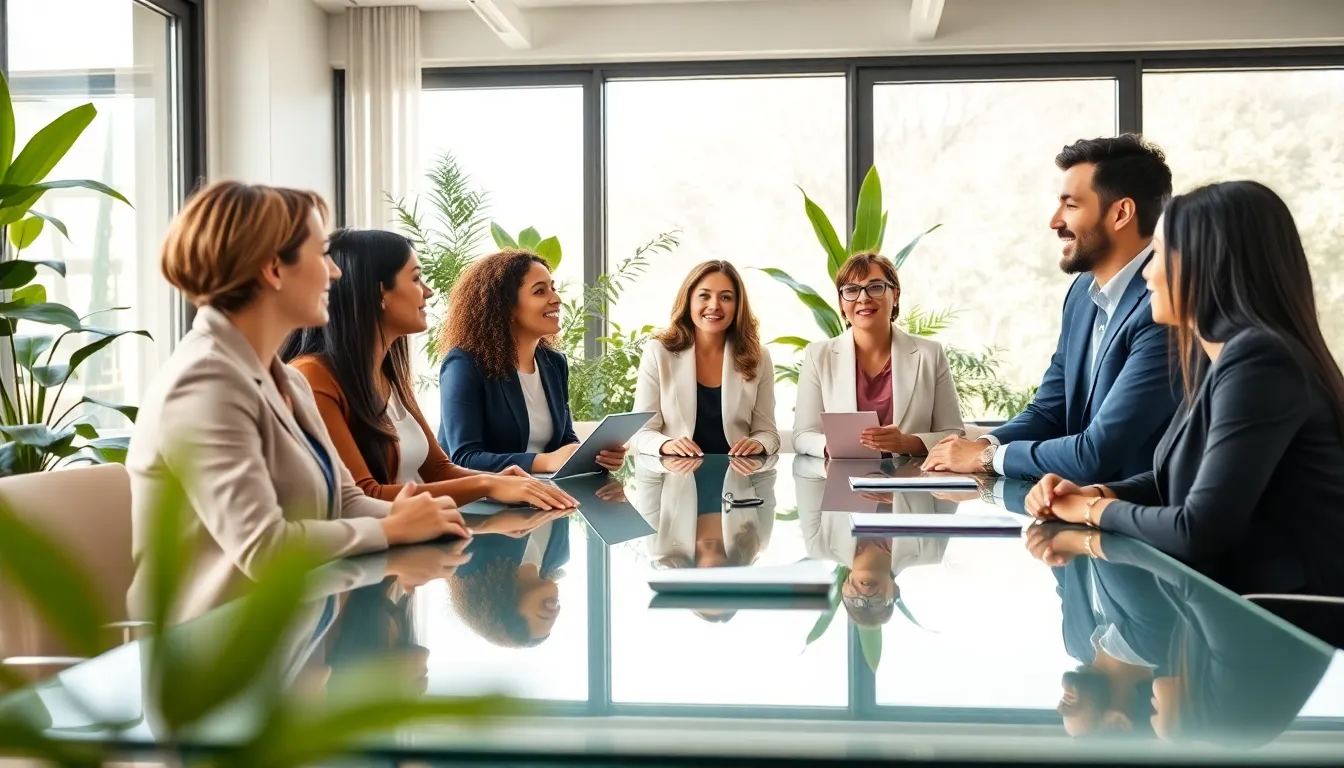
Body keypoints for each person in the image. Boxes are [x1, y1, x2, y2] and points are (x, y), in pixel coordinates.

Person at [126, 181, 469, 624]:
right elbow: (262, 548)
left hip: (294, 636)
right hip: (212, 657)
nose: (336, 273)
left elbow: (345, 500)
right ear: (273, 268)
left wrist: (417, 515)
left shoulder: (288, 381)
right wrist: (390, 528)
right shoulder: (204, 382)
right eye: (321, 253)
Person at [1025, 181, 1344, 598]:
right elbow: (1175, 481)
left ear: (1206, 262)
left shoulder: (1260, 360)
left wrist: (1090, 510)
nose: (1146, 272)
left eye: (1158, 253)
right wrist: (1096, 492)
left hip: (1287, 623)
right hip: (1231, 609)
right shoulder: (1217, 358)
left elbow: (1197, 529)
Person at [923, 136, 1180, 485]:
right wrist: (985, 442)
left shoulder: (1166, 306)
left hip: (1143, 524)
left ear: (1121, 213)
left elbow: (1097, 453)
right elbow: (1050, 410)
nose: (1055, 221)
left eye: (1071, 206)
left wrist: (986, 458)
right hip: (1074, 511)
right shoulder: (1080, 295)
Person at [282, 228, 578, 510]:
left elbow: (438, 469)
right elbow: (364, 497)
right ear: (379, 293)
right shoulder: (312, 377)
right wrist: (488, 484)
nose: (429, 292)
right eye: (415, 279)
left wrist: (503, 481)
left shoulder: (388, 375)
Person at [437, 250, 626, 474]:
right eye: (539, 291)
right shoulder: (465, 364)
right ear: (505, 306)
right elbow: (463, 458)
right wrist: (544, 462)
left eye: (553, 288)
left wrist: (593, 456)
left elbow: (565, 439)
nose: (556, 299)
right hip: (480, 500)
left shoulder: (554, 363)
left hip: (542, 494)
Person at [792, 252, 964, 458]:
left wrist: (907, 443)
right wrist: (833, 445)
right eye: (852, 290)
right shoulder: (818, 356)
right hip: (844, 482)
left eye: (875, 287)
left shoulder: (930, 354)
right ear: (841, 302)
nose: (863, 298)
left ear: (896, 295)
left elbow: (953, 434)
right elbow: (803, 435)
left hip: (912, 484)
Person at [632, 260, 780, 457]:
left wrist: (758, 443)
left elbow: (768, 433)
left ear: (738, 306)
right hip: (677, 479)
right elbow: (642, 432)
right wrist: (666, 444)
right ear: (689, 301)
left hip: (739, 478)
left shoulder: (758, 357)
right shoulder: (659, 352)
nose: (714, 306)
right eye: (704, 296)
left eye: (726, 298)